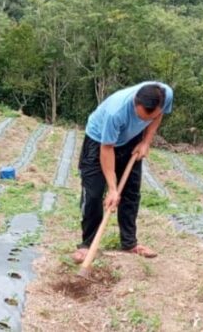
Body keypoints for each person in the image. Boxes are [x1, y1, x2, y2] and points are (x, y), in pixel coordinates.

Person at [73, 82, 173, 262]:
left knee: (131, 192)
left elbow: (158, 116)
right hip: (99, 142)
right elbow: (106, 148)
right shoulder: (116, 111)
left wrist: (145, 142)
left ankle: (129, 243)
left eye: (146, 119)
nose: (143, 121)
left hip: (131, 139)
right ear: (135, 102)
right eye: (139, 116)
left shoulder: (166, 95)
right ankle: (87, 244)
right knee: (94, 194)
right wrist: (112, 188)